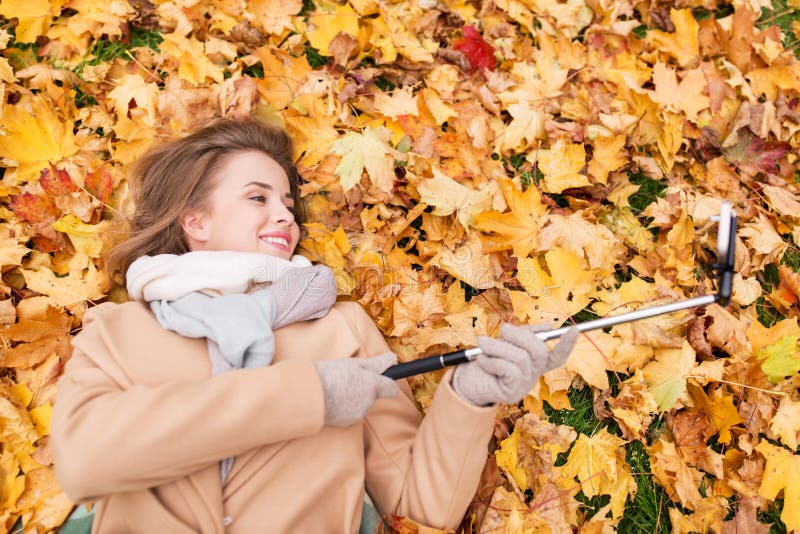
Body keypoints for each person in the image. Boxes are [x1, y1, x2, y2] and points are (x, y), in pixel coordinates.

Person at [50, 117, 579, 533]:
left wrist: (471, 396)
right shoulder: (118, 329)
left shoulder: (341, 330)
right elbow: (85, 462)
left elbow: (419, 505)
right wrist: (308, 395)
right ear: (196, 221)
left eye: (287, 202)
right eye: (258, 197)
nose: (285, 215)